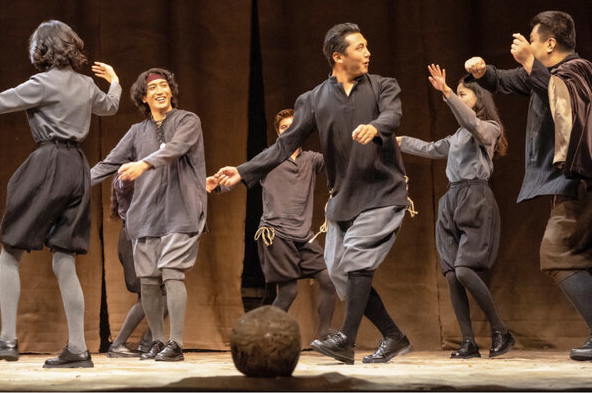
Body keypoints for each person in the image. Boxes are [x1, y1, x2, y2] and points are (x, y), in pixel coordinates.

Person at [216, 23, 412, 365]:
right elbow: (284, 145)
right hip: (343, 200)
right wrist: (243, 171)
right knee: (339, 274)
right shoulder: (313, 99)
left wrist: (375, 126)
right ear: (338, 57)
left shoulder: (383, 85)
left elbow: (392, 115)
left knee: (357, 260)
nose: (368, 53)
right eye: (360, 47)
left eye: (367, 46)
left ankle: (346, 341)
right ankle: (394, 336)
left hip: (382, 191)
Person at [0, 20, 120, 368]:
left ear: (42, 49)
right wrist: (116, 83)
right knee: (64, 259)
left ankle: (7, 338)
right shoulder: (86, 84)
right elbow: (109, 107)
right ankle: (78, 349)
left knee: (9, 255)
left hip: (49, 163)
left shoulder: (42, 83)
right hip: (78, 168)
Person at [464, 10, 592, 361]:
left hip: (582, 181)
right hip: (572, 183)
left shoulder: (578, 70)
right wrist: (484, 73)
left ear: (549, 43)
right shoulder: (549, 74)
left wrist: (529, 62)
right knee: (576, 255)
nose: (529, 46)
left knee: (557, 253)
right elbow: (512, 81)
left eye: (533, 41)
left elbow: (561, 95)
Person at [90, 68, 207, 362]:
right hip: (146, 215)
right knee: (149, 281)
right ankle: (157, 341)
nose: (159, 91)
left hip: (181, 210)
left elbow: (176, 148)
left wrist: (143, 164)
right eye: (152, 88)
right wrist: (75, 184)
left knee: (172, 272)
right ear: (143, 98)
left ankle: (175, 344)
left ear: (171, 91)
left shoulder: (188, 120)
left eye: (163, 85)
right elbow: (109, 163)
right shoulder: (136, 131)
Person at [397, 64, 513, 358]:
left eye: (464, 95)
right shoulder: (458, 136)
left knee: (464, 270)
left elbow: (473, 124)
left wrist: (448, 92)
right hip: (451, 199)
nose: (459, 98)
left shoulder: (489, 128)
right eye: (458, 94)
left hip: (475, 198)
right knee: (451, 273)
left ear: (479, 98)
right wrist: (397, 141)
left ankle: (501, 330)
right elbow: (431, 148)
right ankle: (468, 342)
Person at [207, 108, 336, 344]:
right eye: (284, 128)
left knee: (328, 280)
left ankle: (325, 335)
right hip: (275, 234)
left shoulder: (311, 159)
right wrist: (218, 185)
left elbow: (338, 156)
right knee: (289, 291)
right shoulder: (270, 157)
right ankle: (262, 339)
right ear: (278, 133)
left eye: (293, 127)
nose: (289, 131)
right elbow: (241, 174)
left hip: (303, 236)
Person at [105, 177, 158, 358]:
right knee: (146, 295)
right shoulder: (127, 175)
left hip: (142, 238)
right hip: (132, 239)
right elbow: (125, 182)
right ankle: (117, 345)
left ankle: (149, 341)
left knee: (164, 293)